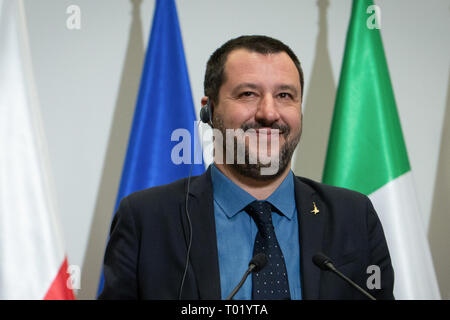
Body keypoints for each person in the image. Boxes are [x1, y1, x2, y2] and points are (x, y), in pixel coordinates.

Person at [99, 35, 394, 300]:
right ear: (209, 110)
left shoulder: (353, 215)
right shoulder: (146, 219)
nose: (268, 113)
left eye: (284, 96)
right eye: (248, 94)